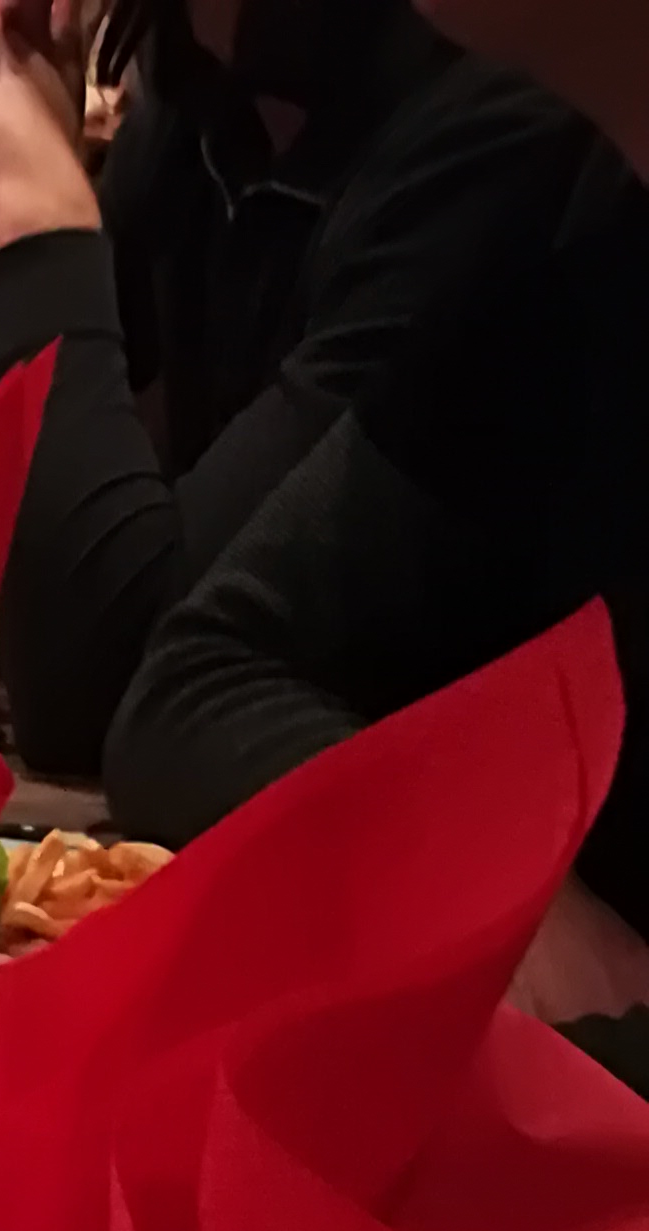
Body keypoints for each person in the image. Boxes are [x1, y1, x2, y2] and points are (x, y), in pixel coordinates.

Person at [0, 0, 585, 783]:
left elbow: (113, 693)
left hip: (456, 826)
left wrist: (27, 213)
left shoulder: (504, 135)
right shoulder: (202, 110)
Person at [104, 0, 649, 1046]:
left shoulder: (491, 138)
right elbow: (191, 682)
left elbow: (102, 651)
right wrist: (481, 872)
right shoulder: (589, 210)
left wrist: (33, 231)